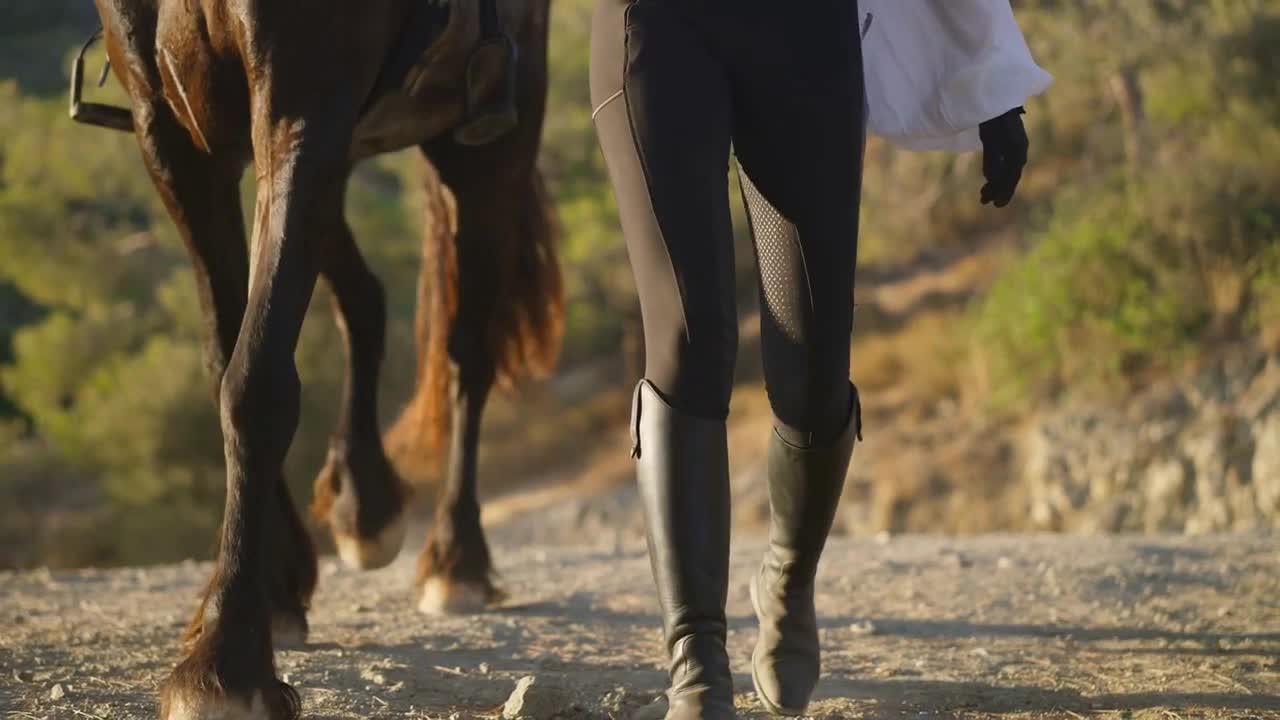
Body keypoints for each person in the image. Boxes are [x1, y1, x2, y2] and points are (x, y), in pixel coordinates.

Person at [589, 2, 1047, 717]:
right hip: (654, 23)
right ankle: (697, 660)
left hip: (802, 31)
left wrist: (989, 82)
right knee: (687, 336)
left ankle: (788, 579)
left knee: (812, 370)